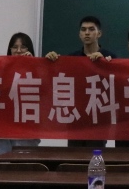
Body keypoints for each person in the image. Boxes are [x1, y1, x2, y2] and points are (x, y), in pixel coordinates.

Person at [44, 16, 117, 148]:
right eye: (83, 30)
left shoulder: (110, 57)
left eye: (91, 29)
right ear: (79, 34)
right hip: (75, 118)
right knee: (74, 156)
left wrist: (106, 64)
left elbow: (119, 85)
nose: (87, 33)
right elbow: (55, 81)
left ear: (99, 33)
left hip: (99, 119)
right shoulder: (71, 58)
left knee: (96, 155)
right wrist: (50, 62)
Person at [0, 33, 40, 156]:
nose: (18, 51)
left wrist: (32, 65)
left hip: (27, 127)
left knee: (25, 163)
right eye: (15, 47)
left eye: (23, 47)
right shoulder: (1, 69)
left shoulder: (37, 68)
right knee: (3, 163)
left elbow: (45, 91)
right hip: (3, 126)